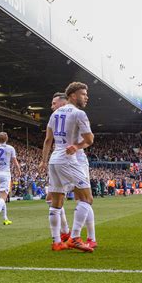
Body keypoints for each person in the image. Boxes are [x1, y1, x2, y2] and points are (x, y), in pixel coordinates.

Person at [39, 81, 94, 252]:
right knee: (86, 199)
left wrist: (43, 160)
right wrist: (77, 146)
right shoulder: (79, 114)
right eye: (83, 94)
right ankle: (75, 237)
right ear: (73, 95)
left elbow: (48, 140)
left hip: (54, 160)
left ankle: (56, 241)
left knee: (56, 202)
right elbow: (90, 139)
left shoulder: (55, 114)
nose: (86, 97)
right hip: (68, 160)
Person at [44, 93, 70, 242]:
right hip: (61, 159)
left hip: (69, 161)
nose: (51, 106)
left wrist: (44, 160)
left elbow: (48, 140)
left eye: (54, 103)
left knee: (85, 198)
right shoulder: (56, 117)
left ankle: (73, 235)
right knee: (51, 198)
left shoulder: (71, 115)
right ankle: (65, 232)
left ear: (62, 103)